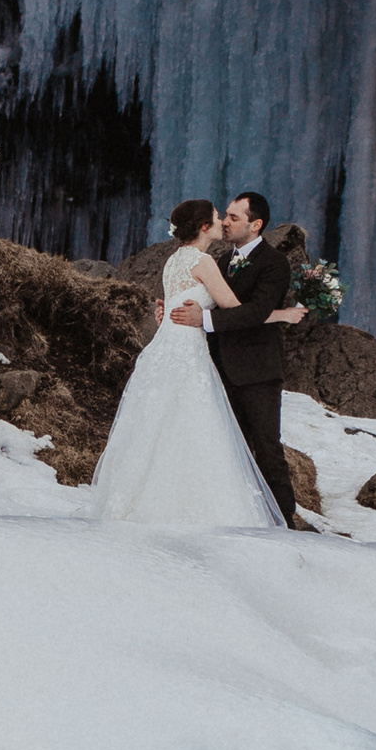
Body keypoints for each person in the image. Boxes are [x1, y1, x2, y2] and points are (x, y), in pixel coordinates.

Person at [88, 199, 285, 531]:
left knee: (161, 427)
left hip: (164, 350)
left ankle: (143, 502)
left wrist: (168, 311)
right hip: (188, 352)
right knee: (195, 427)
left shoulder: (174, 259)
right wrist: (283, 314)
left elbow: (176, 301)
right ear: (204, 227)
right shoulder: (204, 262)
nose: (223, 222)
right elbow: (236, 309)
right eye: (218, 217)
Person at [208, 186, 306, 527]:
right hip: (221, 368)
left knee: (267, 447)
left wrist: (205, 320)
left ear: (256, 224)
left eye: (234, 217)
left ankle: (284, 520)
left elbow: (255, 312)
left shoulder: (274, 263)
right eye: (225, 215)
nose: (225, 222)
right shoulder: (222, 261)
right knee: (228, 447)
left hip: (258, 371)